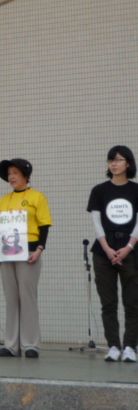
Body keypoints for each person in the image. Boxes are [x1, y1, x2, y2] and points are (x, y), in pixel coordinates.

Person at [0, 159, 52, 358]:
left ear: (26, 175)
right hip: (6, 252)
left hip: (29, 251)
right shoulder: (4, 199)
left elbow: (44, 225)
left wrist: (40, 248)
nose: (12, 177)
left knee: (27, 297)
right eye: (9, 173)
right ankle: (11, 345)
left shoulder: (37, 197)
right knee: (11, 298)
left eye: (15, 173)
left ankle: (30, 344)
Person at [87, 145, 138, 363]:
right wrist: (107, 249)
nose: (113, 164)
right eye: (111, 160)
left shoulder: (136, 190)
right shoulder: (99, 190)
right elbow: (97, 222)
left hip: (131, 251)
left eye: (118, 160)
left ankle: (130, 346)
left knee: (132, 302)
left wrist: (129, 247)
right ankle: (114, 346)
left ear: (128, 163)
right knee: (108, 303)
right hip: (103, 252)